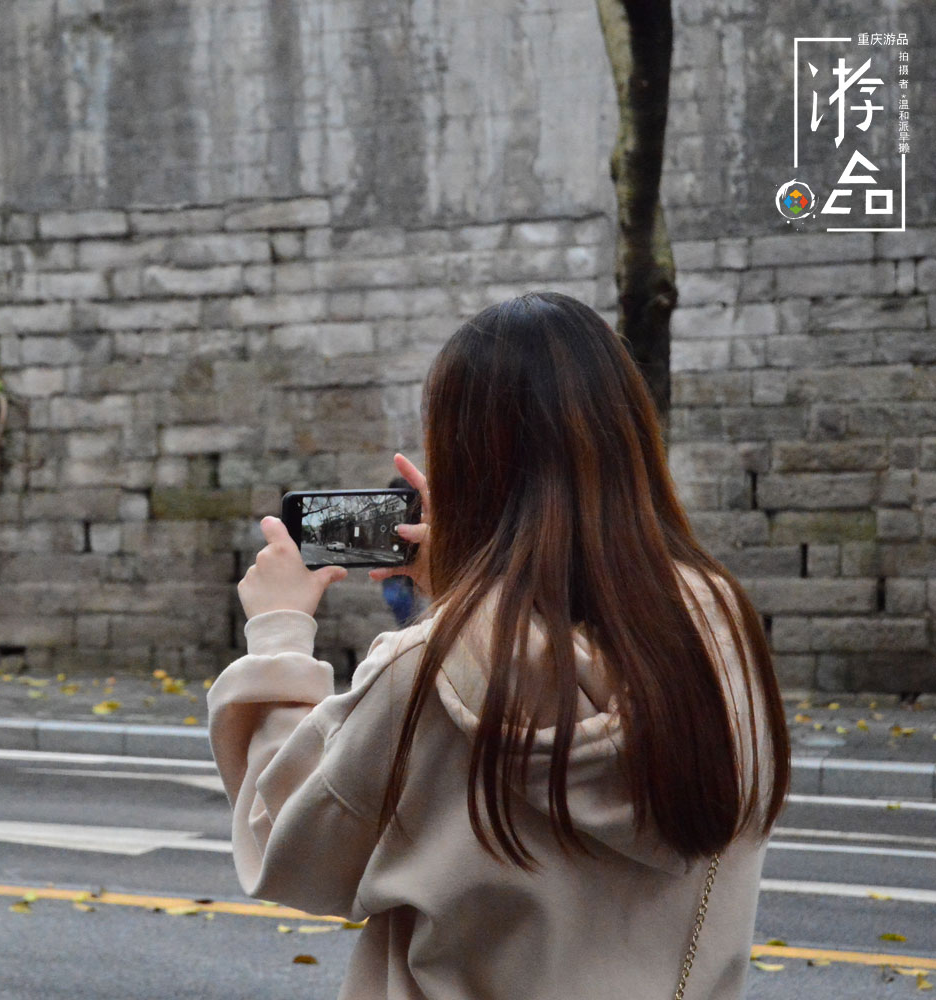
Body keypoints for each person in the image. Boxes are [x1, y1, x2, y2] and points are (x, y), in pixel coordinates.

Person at [206, 291, 791, 1000]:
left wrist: (278, 631)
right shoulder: (720, 627)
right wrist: (465, 588)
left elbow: (289, 843)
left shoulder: (423, 671)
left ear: (462, 462)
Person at [381, 477, 420, 627]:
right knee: (411, 626)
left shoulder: (388, 519)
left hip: (396, 584)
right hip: (401, 584)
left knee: (407, 626)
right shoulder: (404, 522)